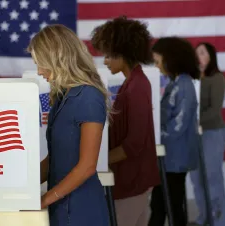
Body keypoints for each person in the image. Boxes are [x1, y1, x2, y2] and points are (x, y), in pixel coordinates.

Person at [28, 24, 110, 226]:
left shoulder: (89, 96)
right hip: (60, 205)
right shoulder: (62, 96)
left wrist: (45, 199)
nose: (39, 71)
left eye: (42, 63)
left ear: (58, 58)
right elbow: (53, 159)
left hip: (82, 209)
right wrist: (22, 187)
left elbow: (87, 166)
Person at [91, 16, 160, 226]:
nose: (105, 61)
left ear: (124, 53)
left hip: (133, 179)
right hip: (132, 177)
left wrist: (97, 162)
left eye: (109, 55)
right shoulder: (132, 83)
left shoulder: (137, 86)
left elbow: (135, 143)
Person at [148, 37, 200, 226]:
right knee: (161, 203)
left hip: (175, 156)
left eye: (158, 61)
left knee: (171, 204)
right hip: (169, 156)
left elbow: (178, 124)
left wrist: (153, 137)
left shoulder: (184, 85)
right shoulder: (175, 83)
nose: (157, 66)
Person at [189, 42, 225, 226]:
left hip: (212, 133)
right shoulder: (193, 79)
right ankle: (204, 217)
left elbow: (215, 109)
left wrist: (194, 121)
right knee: (197, 180)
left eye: (203, 53)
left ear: (211, 56)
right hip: (194, 135)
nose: (199, 57)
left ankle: (219, 220)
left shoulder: (217, 78)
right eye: (197, 54)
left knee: (212, 178)